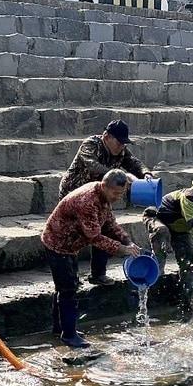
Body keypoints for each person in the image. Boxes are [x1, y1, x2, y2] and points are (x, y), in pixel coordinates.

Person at [41, 169, 143, 348]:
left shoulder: (103, 197)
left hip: (71, 245)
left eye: (122, 193)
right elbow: (94, 237)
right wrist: (122, 249)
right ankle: (69, 335)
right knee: (68, 289)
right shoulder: (87, 201)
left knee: (65, 286)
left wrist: (127, 240)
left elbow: (110, 223)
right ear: (105, 186)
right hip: (58, 243)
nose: (118, 197)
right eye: (116, 193)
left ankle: (61, 328)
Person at [59, 118, 152, 285]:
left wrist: (146, 174)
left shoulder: (121, 150)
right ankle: (71, 277)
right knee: (71, 234)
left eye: (124, 143)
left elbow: (134, 163)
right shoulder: (91, 145)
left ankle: (98, 274)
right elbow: (93, 166)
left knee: (104, 230)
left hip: (99, 196)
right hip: (74, 194)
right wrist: (121, 176)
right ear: (107, 136)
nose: (122, 146)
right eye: (119, 142)